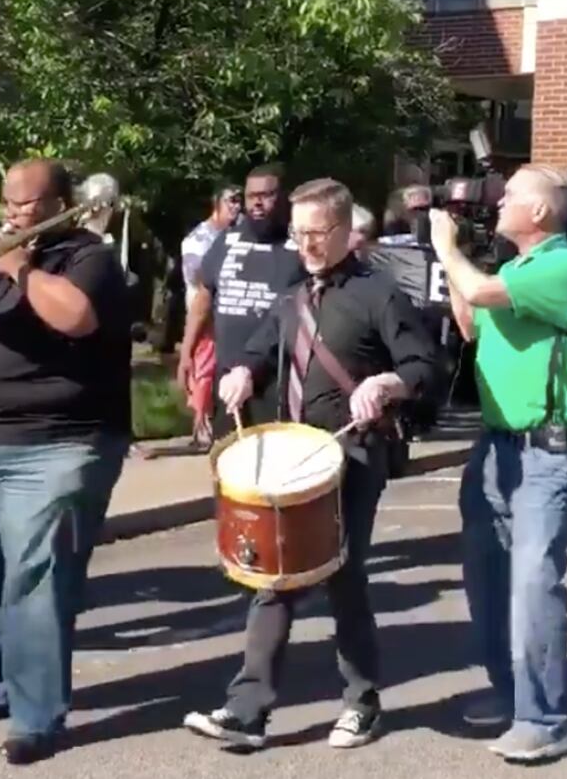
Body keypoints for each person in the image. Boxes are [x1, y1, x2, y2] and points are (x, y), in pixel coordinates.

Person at [183, 179, 439, 752]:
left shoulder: (379, 295)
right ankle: (247, 712)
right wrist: (241, 372)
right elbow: (260, 348)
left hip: (355, 452)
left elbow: (425, 365)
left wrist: (386, 382)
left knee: (342, 574)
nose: (306, 245)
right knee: (274, 577)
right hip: (296, 454)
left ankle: (362, 703)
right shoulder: (293, 294)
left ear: (346, 230)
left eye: (317, 233)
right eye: (298, 233)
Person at [0, 159, 131, 766]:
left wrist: (20, 267)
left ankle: (37, 716)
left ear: (60, 204)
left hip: (54, 444)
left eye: (26, 205)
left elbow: (76, 317)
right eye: (7, 203)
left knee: (36, 579)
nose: (12, 215)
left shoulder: (87, 257)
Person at [428, 164, 567, 763]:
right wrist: (457, 263)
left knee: (533, 585)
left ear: (541, 212)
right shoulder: (513, 271)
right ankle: (511, 693)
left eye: (511, 197)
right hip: (496, 448)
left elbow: (478, 293)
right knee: (488, 581)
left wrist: (448, 249)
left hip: (546, 451)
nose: (498, 203)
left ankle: (544, 720)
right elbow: (471, 322)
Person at [177, 164, 306, 434]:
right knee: (228, 454)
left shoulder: (300, 249)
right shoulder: (226, 241)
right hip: (227, 378)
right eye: (251, 196)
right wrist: (187, 353)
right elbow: (203, 298)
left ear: (284, 198)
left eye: (267, 195)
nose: (257, 203)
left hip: (277, 382)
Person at [179, 186, 242, 448]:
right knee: (204, 367)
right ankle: (201, 424)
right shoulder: (198, 239)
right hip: (205, 316)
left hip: (230, 312)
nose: (237, 206)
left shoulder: (237, 235)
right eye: (231, 201)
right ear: (216, 204)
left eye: (239, 201)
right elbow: (199, 280)